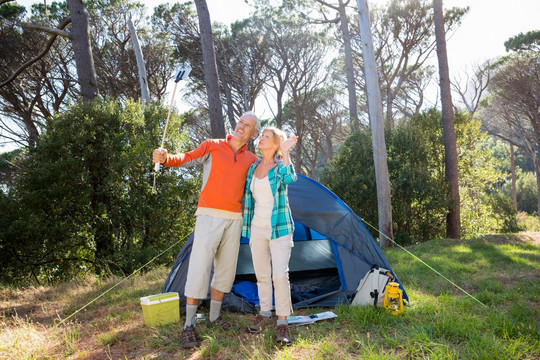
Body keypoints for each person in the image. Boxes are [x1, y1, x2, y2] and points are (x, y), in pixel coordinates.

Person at [152, 112, 260, 348]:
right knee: (199, 268)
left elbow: (261, 183)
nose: (241, 126)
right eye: (240, 121)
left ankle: (214, 317)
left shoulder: (252, 159)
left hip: (234, 219)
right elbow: (186, 158)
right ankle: (189, 325)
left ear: (254, 134)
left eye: (248, 125)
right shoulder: (212, 145)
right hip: (208, 216)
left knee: (225, 272)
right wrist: (166, 157)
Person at [242, 127, 298, 346]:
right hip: (257, 227)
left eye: (266, 137)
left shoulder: (279, 166)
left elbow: (290, 178)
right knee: (262, 274)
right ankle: (265, 314)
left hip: (280, 228)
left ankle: (282, 321)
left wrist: (285, 153)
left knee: (279, 275)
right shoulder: (253, 167)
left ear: (276, 143)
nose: (261, 139)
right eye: (262, 136)